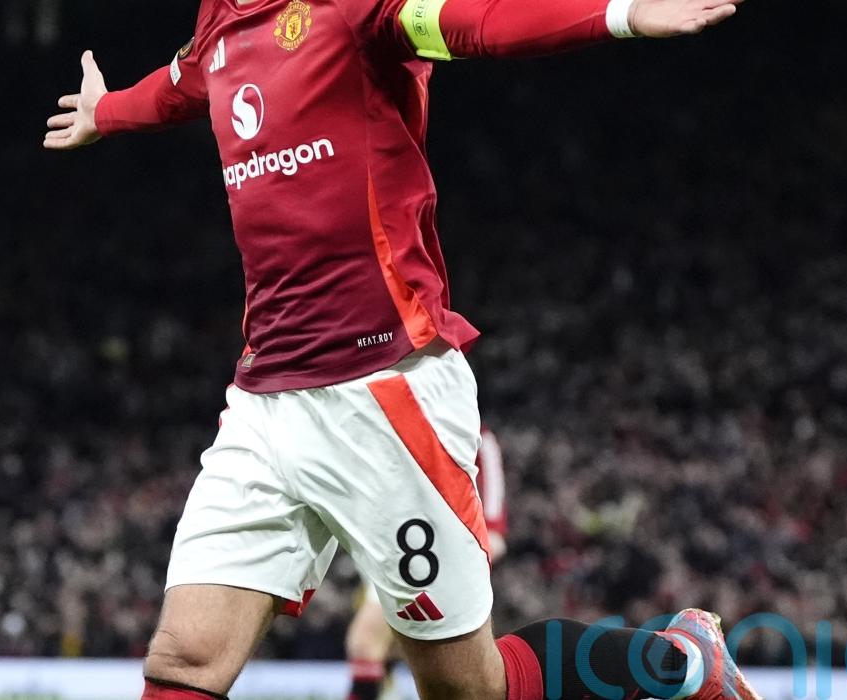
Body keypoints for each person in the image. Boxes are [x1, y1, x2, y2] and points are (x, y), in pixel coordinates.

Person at [43, 0, 757, 698]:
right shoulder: (221, 17)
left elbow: (478, 22)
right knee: (185, 659)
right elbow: (187, 81)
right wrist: (107, 113)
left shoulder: (358, 9)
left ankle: (683, 663)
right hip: (264, 402)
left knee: (466, 687)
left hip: (386, 390)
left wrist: (622, 12)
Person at [345, 426, 507, 700]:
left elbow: (495, 537)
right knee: (385, 654)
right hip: (391, 559)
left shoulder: (479, 439)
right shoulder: (389, 428)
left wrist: (447, 567)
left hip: (431, 566)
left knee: (366, 641)